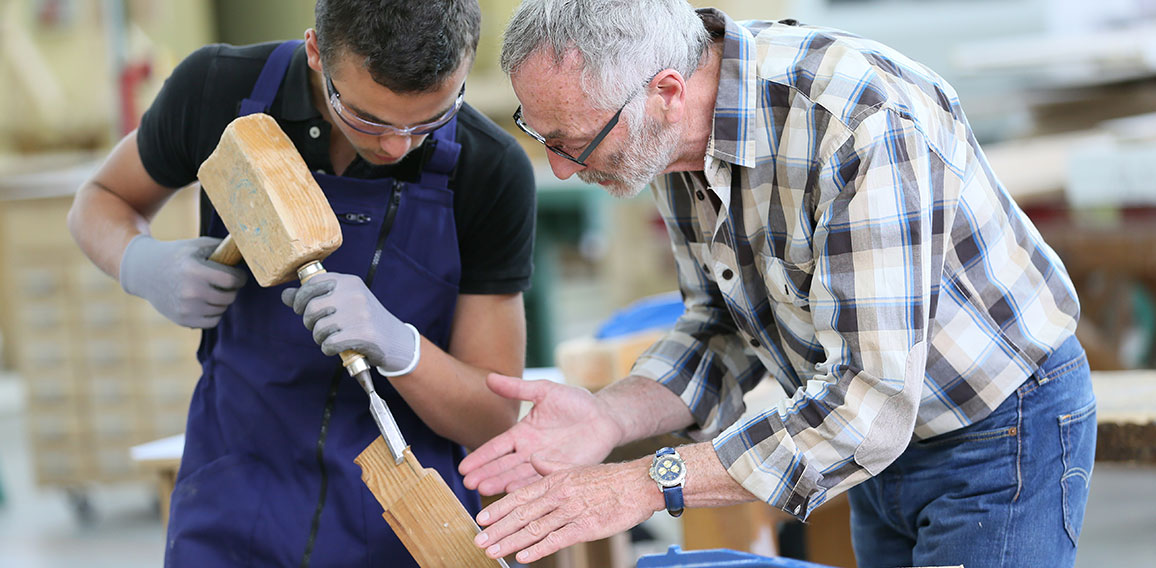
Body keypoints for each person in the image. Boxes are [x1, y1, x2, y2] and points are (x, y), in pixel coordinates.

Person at [458, 1, 1096, 567]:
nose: (563, 171)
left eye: (575, 143)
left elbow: (866, 407)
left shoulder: (858, 122)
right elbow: (719, 326)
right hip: (873, 444)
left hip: (998, 424)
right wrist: (610, 414)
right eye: (545, 137)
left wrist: (643, 484)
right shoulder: (668, 135)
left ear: (666, 91)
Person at [67, 0, 536, 565]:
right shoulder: (219, 89)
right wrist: (141, 264)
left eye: (431, 119)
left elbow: (491, 418)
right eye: (370, 118)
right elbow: (100, 202)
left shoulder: (490, 168)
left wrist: (402, 349)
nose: (397, 145)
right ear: (316, 52)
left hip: (398, 518)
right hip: (232, 496)